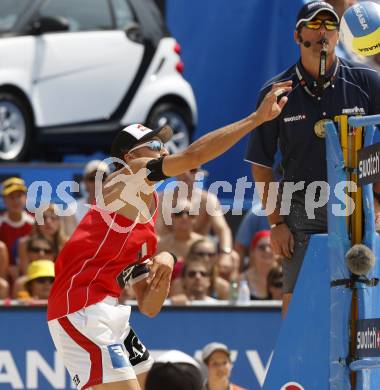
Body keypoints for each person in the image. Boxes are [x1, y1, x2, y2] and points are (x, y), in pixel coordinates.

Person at [47, 80, 291, 390]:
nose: (164, 149)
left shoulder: (148, 223)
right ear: (129, 155)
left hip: (108, 310)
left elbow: (149, 307)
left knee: (160, 385)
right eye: (154, 145)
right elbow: (192, 158)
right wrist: (255, 119)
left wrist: (165, 259)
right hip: (80, 307)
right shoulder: (126, 177)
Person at [245, 1, 380, 317]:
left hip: (357, 208)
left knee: (362, 304)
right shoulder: (277, 92)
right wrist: (276, 223)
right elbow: (261, 165)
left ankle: (359, 368)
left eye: (330, 25)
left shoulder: (367, 82)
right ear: (297, 35)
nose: (323, 32)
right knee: (297, 308)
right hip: (301, 211)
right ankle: (298, 367)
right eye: (315, 24)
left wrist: (378, 202)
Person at [156, 167, 234, 260]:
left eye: (192, 170)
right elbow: (156, 233)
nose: (186, 173)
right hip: (167, 253)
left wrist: (225, 253)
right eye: (181, 169)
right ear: (175, 172)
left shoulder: (208, 200)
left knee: (233, 258)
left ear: (199, 173)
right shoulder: (162, 199)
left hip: (200, 256)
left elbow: (222, 230)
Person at [0, 177, 34, 281]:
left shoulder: (35, 223)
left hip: (30, 273)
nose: (15, 201)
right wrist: (7, 267)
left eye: (19, 196)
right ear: (4, 200)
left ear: (25, 198)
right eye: (11, 197)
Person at [239, 230, 278, 300]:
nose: (267, 250)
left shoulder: (286, 277)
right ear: (253, 252)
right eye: (262, 247)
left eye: (271, 246)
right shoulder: (242, 279)